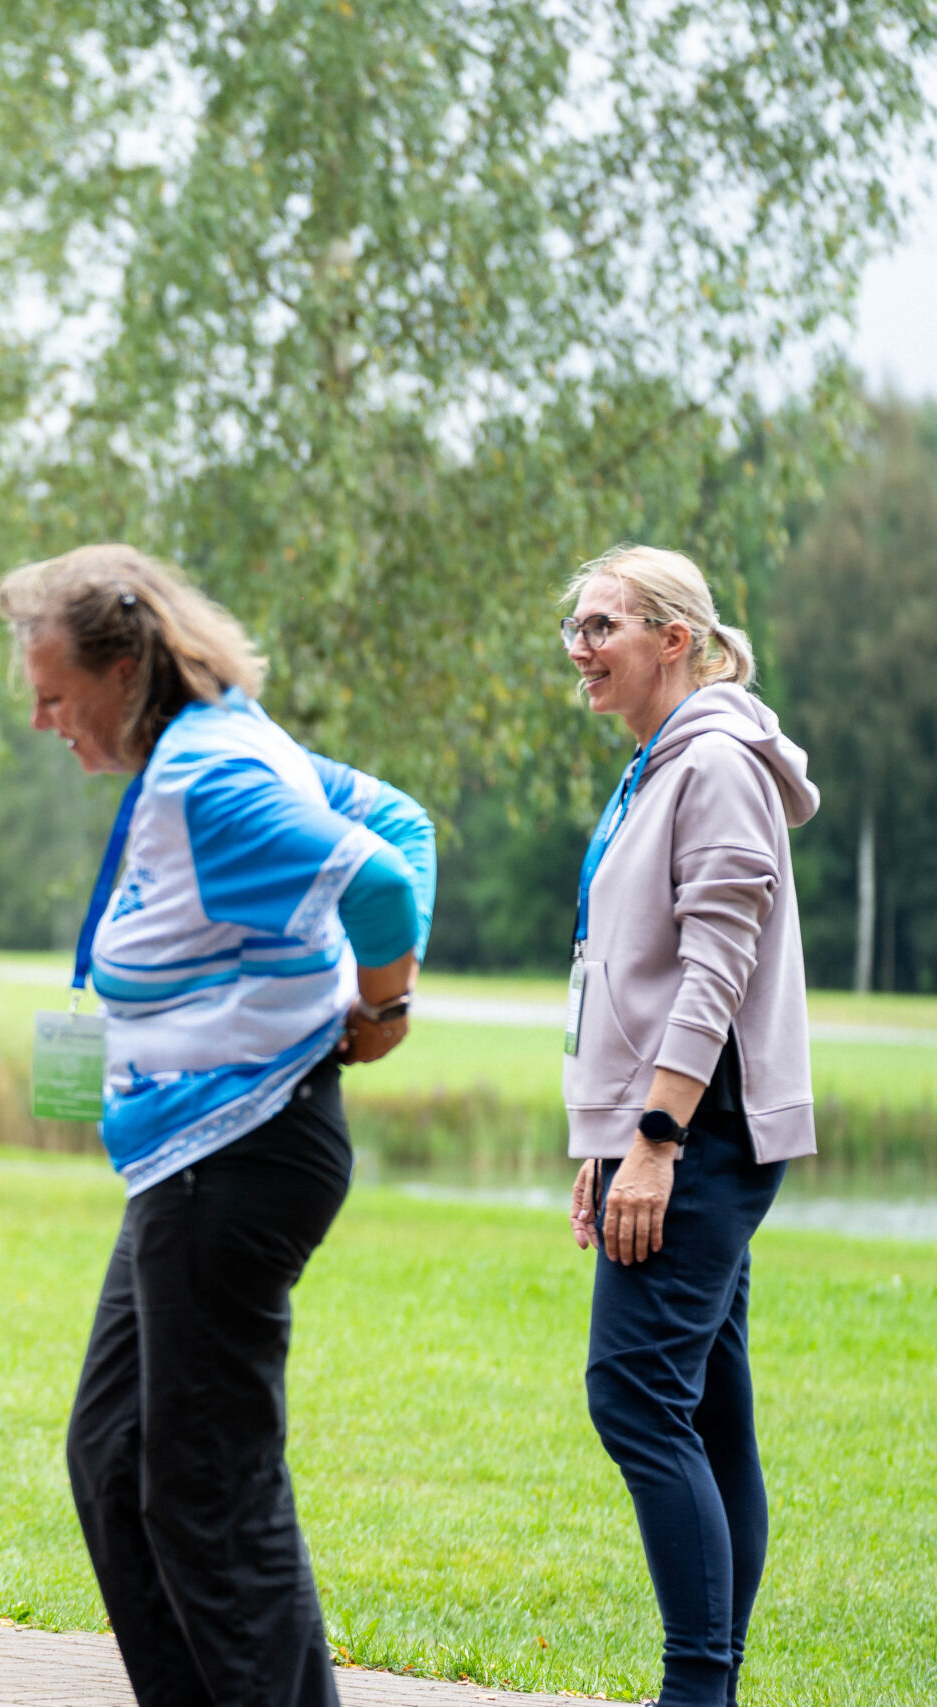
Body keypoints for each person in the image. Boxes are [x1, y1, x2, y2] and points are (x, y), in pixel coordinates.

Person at [0, 544, 435, 1707]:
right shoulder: (213, 750)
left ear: (124, 667)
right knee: (114, 1457)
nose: (42, 722)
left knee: (207, 1486)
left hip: (236, 1155)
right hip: (194, 1159)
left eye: (52, 695)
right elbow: (398, 816)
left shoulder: (210, 777)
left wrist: (383, 1007)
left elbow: (383, 878)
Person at [558, 544, 817, 1707]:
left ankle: (696, 1689)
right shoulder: (660, 762)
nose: (579, 647)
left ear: (674, 639)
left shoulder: (711, 762)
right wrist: (606, 1137)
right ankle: (710, 1686)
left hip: (699, 1131)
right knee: (706, 1411)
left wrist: (655, 1139)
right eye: (573, 626)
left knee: (633, 1397)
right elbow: (629, 968)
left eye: (601, 625)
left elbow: (717, 966)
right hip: (664, 1126)